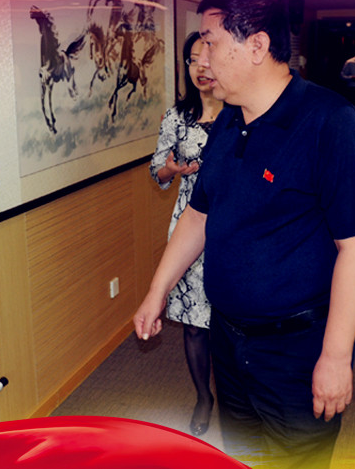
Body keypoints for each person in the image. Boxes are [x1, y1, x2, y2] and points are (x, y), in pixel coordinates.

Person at [134, 0, 355, 468]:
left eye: (210, 42)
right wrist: (157, 290)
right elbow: (199, 213)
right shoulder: (228, 119)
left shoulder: (330, 123)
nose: (202, 58)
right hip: (229, 338)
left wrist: (335, 358)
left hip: (296, 349)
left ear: (257, 46)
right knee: (244, 457)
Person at [148, 31, 222, 437]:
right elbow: (157, 172)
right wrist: (172, 170)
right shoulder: (177, 117)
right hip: (188, 227)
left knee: (231, 319)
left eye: (206, 58)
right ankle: (203, 397)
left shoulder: (241, 112)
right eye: (192, 60)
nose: (200, 67)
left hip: (233, 225)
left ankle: (236, 393)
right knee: (194, 322)